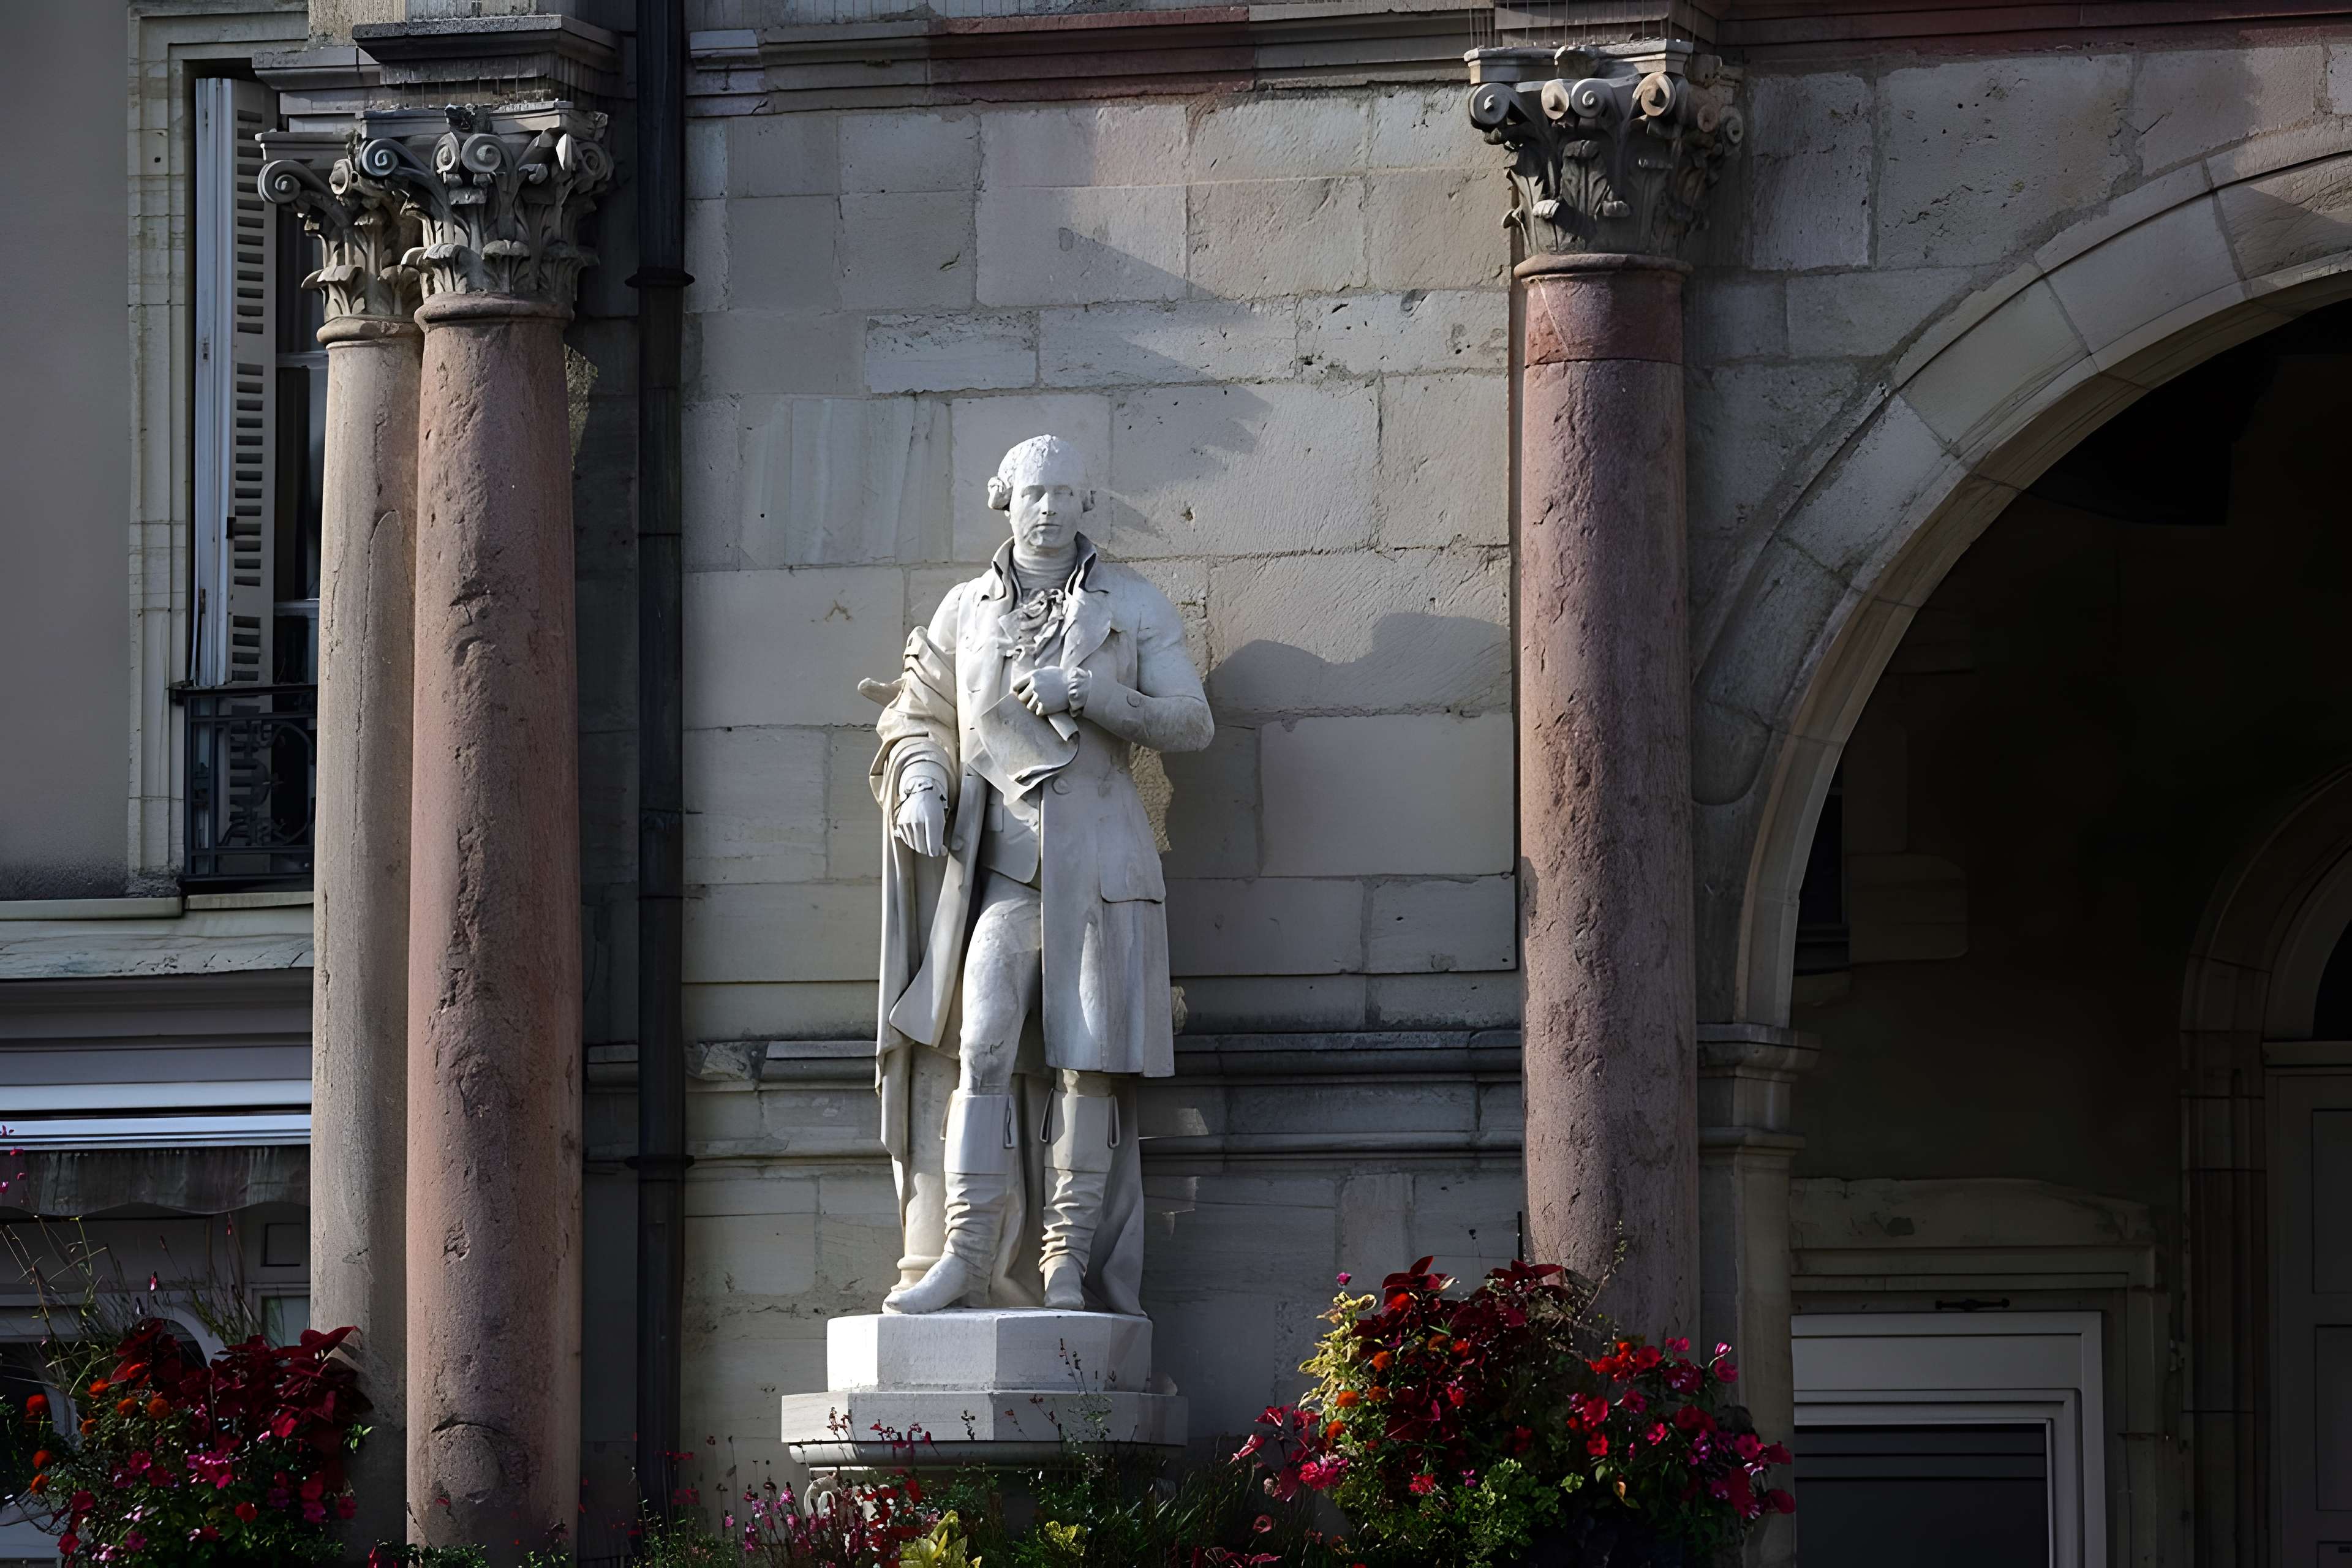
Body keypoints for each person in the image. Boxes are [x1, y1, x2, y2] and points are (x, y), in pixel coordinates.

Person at [869, 434, 1212, 1316]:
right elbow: (921, 718)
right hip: (1009, 871)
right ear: (1004, 500)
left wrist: (1090, 695)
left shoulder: (1131, 603)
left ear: (1083, 504)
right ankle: (965, 1254)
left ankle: (1065, 1264)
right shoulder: (963, 609)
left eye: (1065, 493)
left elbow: (1192, 724)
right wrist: (920, 782)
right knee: (978, 1049)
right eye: (1034, 494)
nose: (1050, 509)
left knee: (1087, 1066)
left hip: (1101, 865)